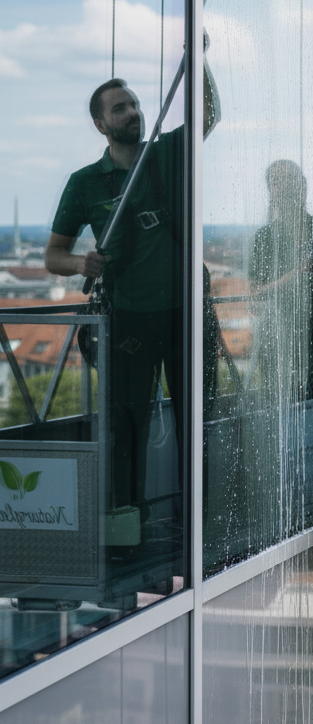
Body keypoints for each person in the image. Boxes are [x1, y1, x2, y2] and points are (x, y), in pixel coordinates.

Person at [44, 70, 219, 529]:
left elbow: (210, 113)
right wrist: (82, 264)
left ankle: (195, 523)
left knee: (195, 420)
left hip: (184, 314)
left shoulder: (165, 156)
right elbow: (54, 256)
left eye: (136, 104)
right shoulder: (85, 184)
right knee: (126, 428)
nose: (134, 112)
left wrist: (198, 62)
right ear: (101, 125)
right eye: (120, 108)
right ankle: (128, 524)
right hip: (129, 319)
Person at [249, 159, 313, 402]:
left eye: (289, 178)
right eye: (276, 181)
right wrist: (293, 276)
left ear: (302, 185)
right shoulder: (266, 237)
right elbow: (256, 292)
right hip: (281, 332)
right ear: (270, 191)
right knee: (284, 398)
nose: (283, 186)